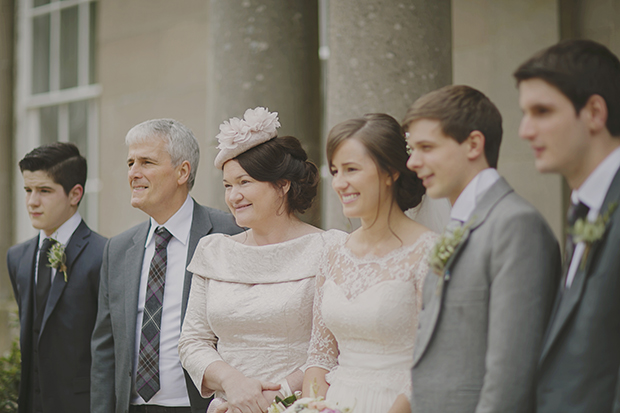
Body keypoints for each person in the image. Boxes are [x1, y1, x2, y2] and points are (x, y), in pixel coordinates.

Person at [405, 85, 561, 413]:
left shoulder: (515, 225)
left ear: (473, 144)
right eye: (412, 148)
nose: (413, 162)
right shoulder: (459, 221)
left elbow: (511, 371)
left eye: (426, 147)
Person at [178, 107, 328, 413]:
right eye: (227, 186)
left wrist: (278, 394)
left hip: (301, 405)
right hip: (228, 407)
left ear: (283, 184)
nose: (234, 196)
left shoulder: (327, 247)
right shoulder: (213, 250)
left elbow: (332, 345)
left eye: (244, 182)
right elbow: (192, 342)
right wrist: (233, 383)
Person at [90, 119, 242, 413]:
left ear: (182, 171)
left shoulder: (229, 234)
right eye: (131, 162)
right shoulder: (118, 248)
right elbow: (105, 349)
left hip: (203, 406)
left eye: (146, 162)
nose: (133, 173)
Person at [302, 113, 438, 413]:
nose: (339, 183)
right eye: (335, 170)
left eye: (351, 169)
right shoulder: (333, 251)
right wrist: (313, 407)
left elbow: (434, 360)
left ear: (391, 172)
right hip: (337, 402)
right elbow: (319, 356)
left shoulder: (429, 251)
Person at [515, 39, 620, 412]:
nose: (525, 130)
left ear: (594, 112)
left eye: (542, 111)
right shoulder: (586, 211)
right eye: (525, 113)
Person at [8, 142, 107, 413]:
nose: (32, 202)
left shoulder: (104, 255)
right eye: (28, 190)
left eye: (44, 191)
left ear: (75, 194)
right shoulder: (17, 257)